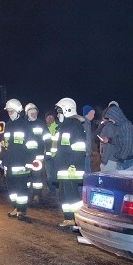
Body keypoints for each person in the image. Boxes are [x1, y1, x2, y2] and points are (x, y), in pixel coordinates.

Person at [53, 97, 86, 228]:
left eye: (59, 112)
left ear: (67, 111)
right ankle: (68, 218)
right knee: (64, 195)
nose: (57, 115)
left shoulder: (75, 126)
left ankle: (78, 221)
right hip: (63, 167)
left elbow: (79, 148)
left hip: (71, 168)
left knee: (73, 196)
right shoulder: (63, 127)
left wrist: (72, 165)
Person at [2, 99, 33, 222]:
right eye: (8, 112)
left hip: (21, 163)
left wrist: (29, 161)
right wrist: (3, 158)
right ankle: (15, 207)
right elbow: (5, 143)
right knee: (12, 189)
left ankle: (22, 210)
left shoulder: (25, 125)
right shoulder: (8, 125)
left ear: (18, 111)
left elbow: (31, 145)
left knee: (21, 188)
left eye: (11, 111)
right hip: (9, 162)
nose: (10, 113)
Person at [97, 103, 133, 171]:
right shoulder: (121, 125)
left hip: (126, 161)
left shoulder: (126, 125)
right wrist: (109, 140)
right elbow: (119, 140)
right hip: (123, 160)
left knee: (124, 181)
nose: (111, 120)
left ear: (115, 116)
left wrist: (121, 159)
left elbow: (127, 145)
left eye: (111, 118)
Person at [24, 103, 46, 204]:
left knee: (37, 177)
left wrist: (48, 151)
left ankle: (37, 195)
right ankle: (27, 193)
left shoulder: (41, 124)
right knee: (26, 176)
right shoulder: (23, 124)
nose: (34, 115)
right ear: (27, 113)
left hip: (38, 156)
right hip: (26, 156)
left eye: (35, 113)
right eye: (32, 113)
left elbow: (47, 138)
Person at [44, 110, 58, 196]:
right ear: (45, 119)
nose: (50, 118)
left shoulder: (58, 127)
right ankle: (52, 191)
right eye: (48, 116)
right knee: (49, 176)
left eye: (51, 116)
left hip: (57, 156)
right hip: (47, 156)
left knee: (56, 175)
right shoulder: (43, 128)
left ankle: (57, 191)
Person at [81, 104, 96, 174]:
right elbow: (85, 138)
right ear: (88, 113)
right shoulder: (85, 123)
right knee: (86, 173)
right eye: (92, 113)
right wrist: (87, 151)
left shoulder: (87, 123)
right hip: (85, 153)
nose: (93, 115)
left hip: (86, 153)